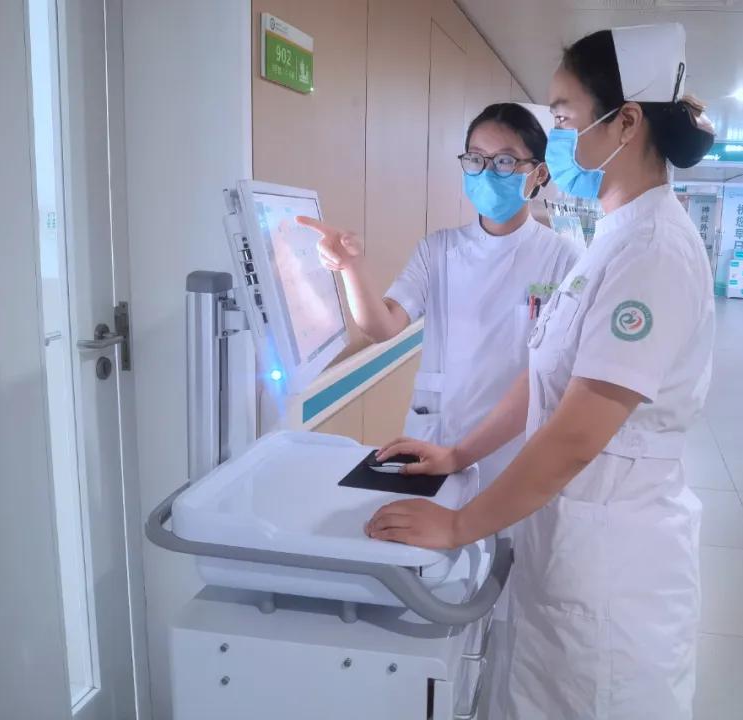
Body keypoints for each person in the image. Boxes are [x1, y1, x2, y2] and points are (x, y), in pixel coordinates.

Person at [366, 23, 716, 720]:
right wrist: (460, 453)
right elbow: (545, 370)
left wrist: (459, 526)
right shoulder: (611, 237)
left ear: (625, 123)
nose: (555, 135)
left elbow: (578, 432)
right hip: (565, 541)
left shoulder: (651, 250)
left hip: (611, 560)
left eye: (562, 116)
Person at [298, 103, 578, 489]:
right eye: (476, 159)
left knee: (503, 523)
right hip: (438, 436)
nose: (487, 172)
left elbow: (555, 370)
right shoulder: (439, 250)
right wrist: (351, 267)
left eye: (505, 161)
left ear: (539, 173)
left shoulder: (563, 259)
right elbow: (381, 326)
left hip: (516, 443)